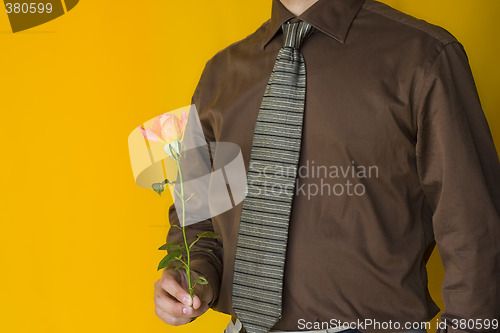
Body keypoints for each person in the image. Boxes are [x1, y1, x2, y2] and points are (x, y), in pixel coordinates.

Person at [154, 0, 500, 332]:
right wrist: (192, 279)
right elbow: (198, 218)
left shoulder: (425, 56)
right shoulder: (220, 76)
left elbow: (473, 227)